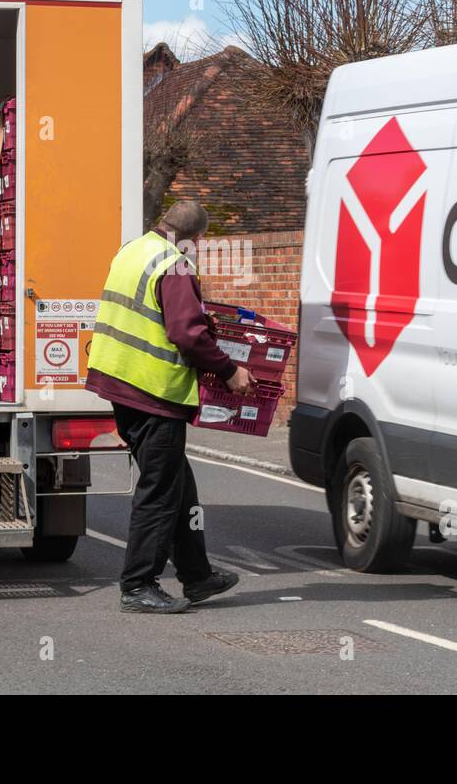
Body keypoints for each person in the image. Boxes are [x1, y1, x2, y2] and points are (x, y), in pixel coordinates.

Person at [86, 200, 256, 613]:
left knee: (179, 485)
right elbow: (187, 335)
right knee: (160, 493)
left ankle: (197, 577)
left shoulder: (133, 249)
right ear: (195, 240)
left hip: (120, 382)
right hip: (154, 392)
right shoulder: (176, 266)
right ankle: (138, 585)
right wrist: (230, 369)